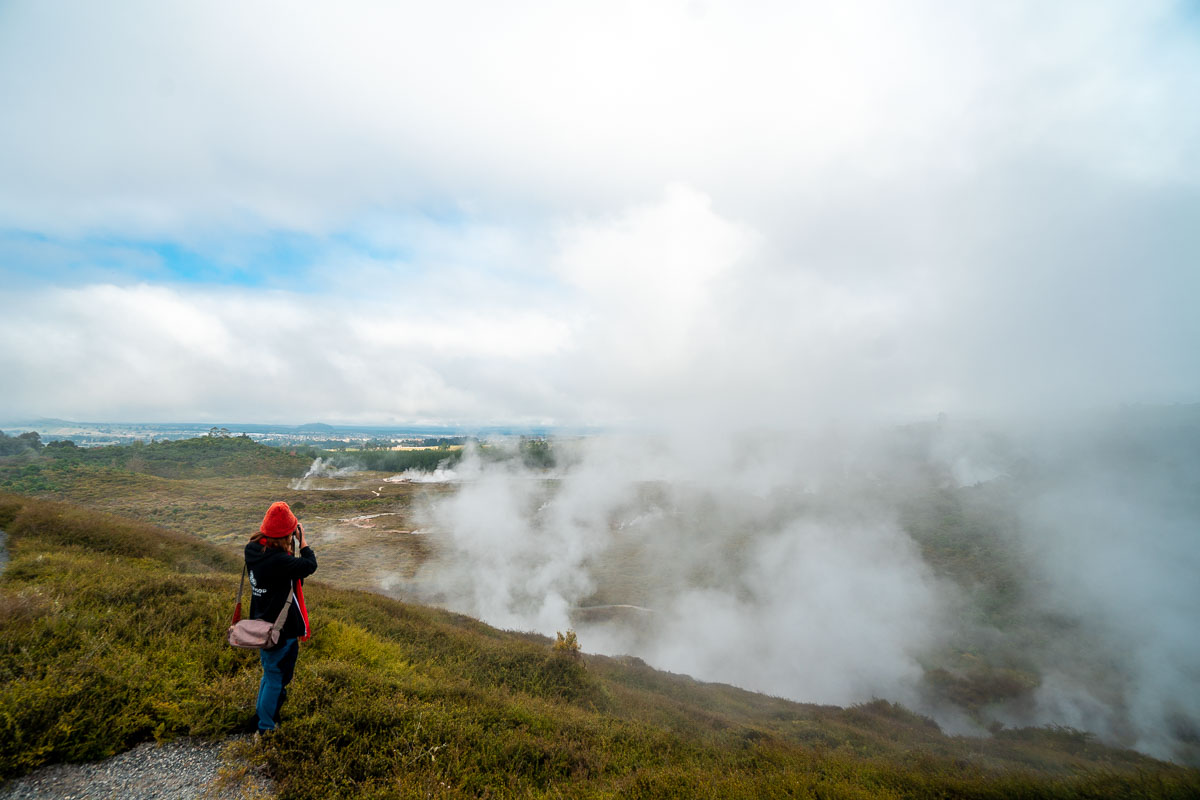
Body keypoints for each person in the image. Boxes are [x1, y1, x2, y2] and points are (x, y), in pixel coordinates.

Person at [245, 501, 317, 733]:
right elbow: (309, 565)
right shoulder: (279, 561)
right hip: (280, 629)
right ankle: (266, 728)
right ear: (287, 533)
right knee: (276, 678)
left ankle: (262, 717)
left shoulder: (253, 550)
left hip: (261, 623)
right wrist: (302, 542)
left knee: (270, 674)